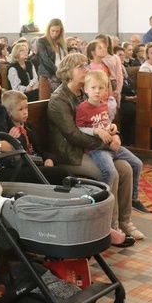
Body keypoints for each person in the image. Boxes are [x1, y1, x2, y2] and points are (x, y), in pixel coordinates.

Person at [46, 54, 140, 242]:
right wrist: (108, 143)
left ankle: (125, 221)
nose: (86, 68)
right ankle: (108, 226)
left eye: (85, 65)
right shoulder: (59, 99)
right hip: (70, 154)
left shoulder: (84, 92)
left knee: (128, 168)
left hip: (91, 149)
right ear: (68, 72)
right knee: (111, 172)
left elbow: (103, 121)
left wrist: (116, 136)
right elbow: (73, 135)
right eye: (80, 66)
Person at [0, 63, 70, 185]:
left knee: (61, 173)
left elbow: (21, 142)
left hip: (12, 166)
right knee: (59, 175)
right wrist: (4, 144)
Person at [76, 69, 148, 216]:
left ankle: (134, 198)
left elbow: (106, 122)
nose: (97, 91)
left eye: (101, 88)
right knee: (109, 171)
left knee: (137, 163)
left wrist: (112, 128)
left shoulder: (103, 105)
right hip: (96, 149)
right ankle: (104, 204)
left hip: (109, 143)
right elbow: (79, 128)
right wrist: (96, 131)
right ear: (86, 89)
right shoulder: (83, 107)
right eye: (93, 88)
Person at [36, 18, 67, 100]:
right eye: (53, 31)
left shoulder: (61, 43)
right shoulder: (42, 41)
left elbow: (64, 58)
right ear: (48, 29)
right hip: (47, 75)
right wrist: (58, 72)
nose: (55, 33)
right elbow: (45, 60)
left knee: (60, 100)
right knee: (44, 101)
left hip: (60, 75)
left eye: (57, 31)